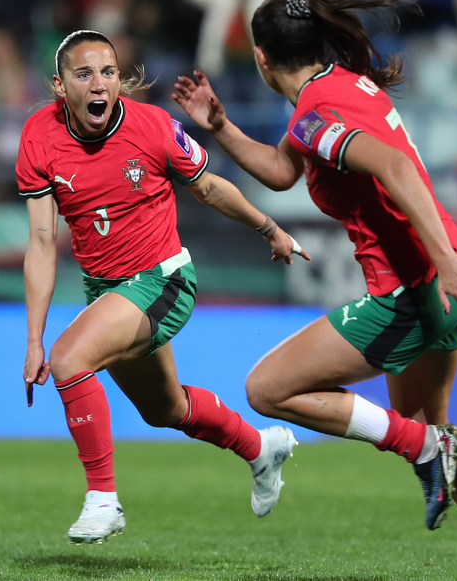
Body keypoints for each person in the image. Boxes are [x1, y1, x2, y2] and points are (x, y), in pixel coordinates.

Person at [172, 0, 457, 561]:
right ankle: (432, 452)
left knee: (267, 389)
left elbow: (391, 164)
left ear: (261, 58)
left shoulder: (317, 116)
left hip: (416, 288)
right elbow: (280, 169)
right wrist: (218, 125)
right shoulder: (340, 88)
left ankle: (423, 446)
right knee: (441, 442)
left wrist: (438, 259)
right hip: (448, 273)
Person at [19, 29, 307, 545]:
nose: (98, 84)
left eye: (107, 72)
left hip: (163, 279)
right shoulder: (38, 136)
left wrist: (269, 227)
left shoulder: (152, 126)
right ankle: (260, 449)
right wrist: (32, 337)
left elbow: (209, 188)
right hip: (106, 291)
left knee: (68, 359)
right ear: (60, 85)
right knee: (165, 410)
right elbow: (42, 243)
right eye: (83, 74)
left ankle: (103, 499)